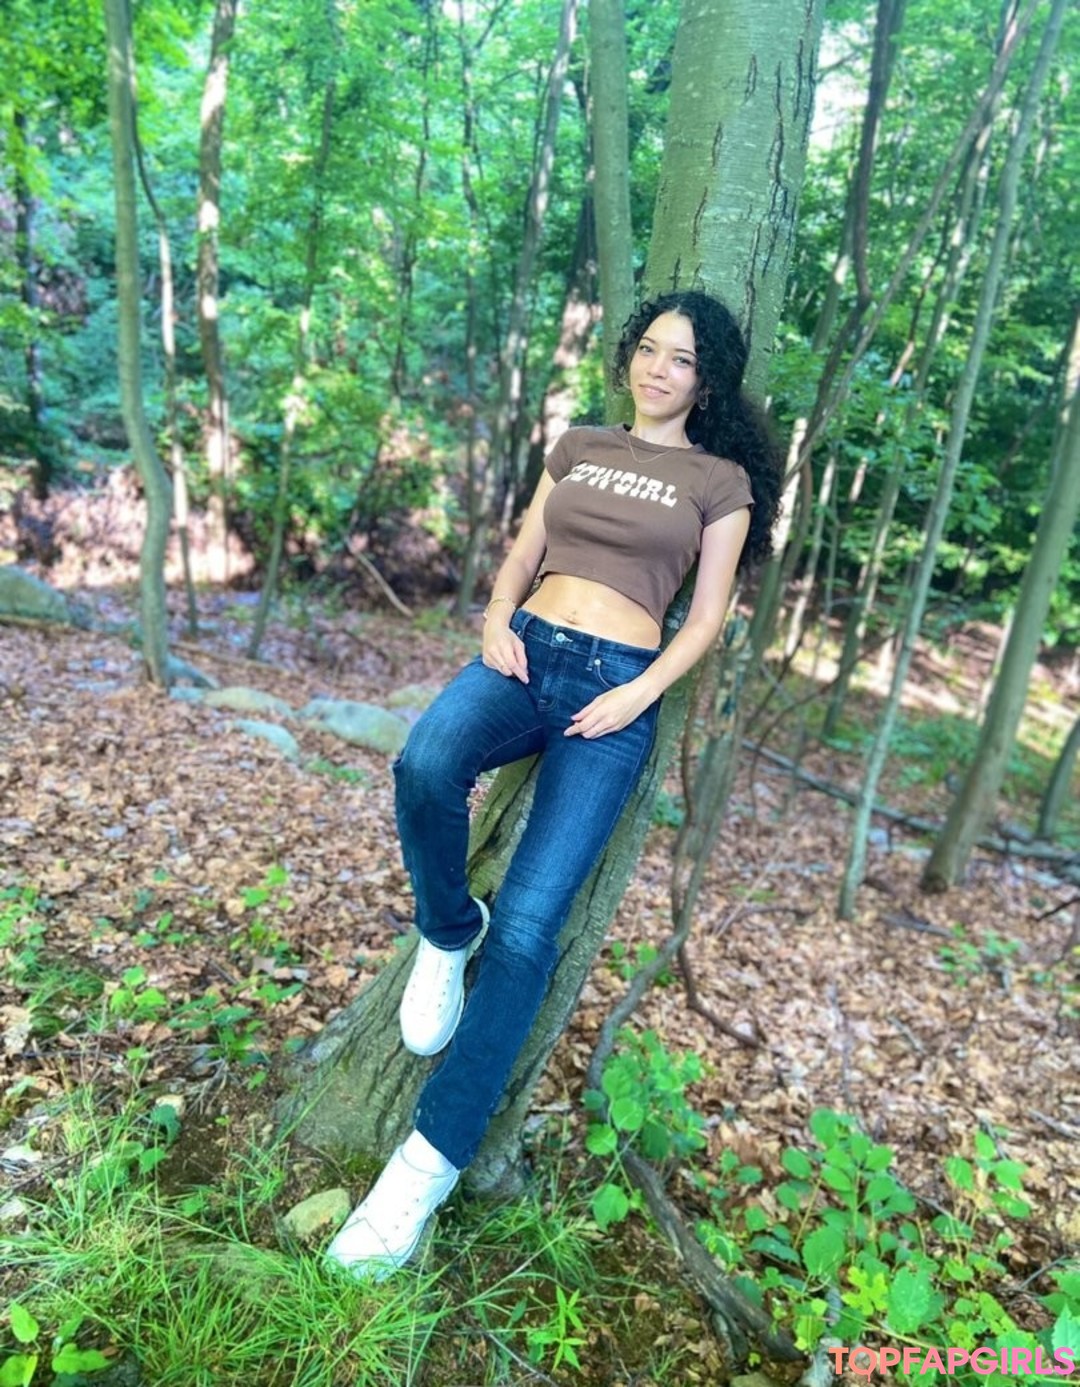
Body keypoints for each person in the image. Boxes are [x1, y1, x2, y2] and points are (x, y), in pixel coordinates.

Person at [326, 290, 781, 1281]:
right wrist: (497, 617)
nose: (659, 369)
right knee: (425, 764)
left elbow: (708, 616)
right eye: (649, 349)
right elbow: (525, 550)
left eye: (682, 360)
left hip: (617, 688)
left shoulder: (720, 481)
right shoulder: (580, 444)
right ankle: (449, 929)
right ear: (630, 356)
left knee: (532, 928)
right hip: (524, 652)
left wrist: (640, 694)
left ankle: (423, 1169)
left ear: (707, 383)